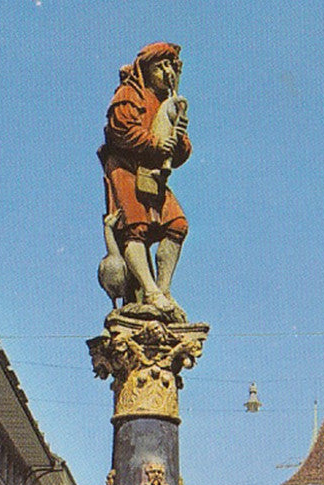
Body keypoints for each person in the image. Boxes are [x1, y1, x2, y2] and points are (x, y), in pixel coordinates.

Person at [98, 43, 191, 321]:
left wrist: (178, 142)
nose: (166, 72)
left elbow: (180, 153)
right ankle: (150, 292)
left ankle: (163, 291)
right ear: (146, 70)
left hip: (153, 175)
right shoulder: (130, 93)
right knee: (134, 227)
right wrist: (156, 144)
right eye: (159, 66)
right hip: (125, 168)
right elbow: (121, 130)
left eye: (170, 66)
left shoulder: (167, 104)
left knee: (177, 225)